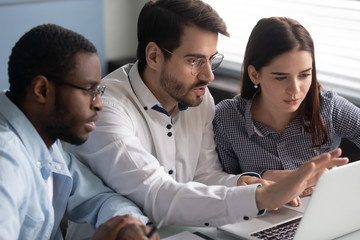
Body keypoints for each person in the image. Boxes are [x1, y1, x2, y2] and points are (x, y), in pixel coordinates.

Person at [64, 1, 348, 238]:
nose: (209, 76)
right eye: (194, 61)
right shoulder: (106, 109)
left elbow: (204, 175)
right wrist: (261, 198)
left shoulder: (198, 99)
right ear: (153, 56)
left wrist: (251, 184)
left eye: (212, 59)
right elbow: (157, 195)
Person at [0, 23, 159, 240]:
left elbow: (102, 199)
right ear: (42, 90)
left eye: (99, 91)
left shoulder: (45, 142)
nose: (99, 104)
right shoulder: (6, 162)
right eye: (89, 91)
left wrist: (128, 227)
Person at [213, 17, 360, 186]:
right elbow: (221, 186)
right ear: (255, 74)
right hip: (260, 212)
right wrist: (262, 177)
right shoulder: (226, 118)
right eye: (281, 78)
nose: (295, 89)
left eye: (304, 75)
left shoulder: (331, 107)